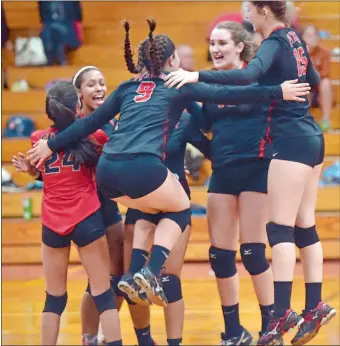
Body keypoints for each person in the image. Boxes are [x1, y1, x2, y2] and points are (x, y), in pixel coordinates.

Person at [27, 17, 310, 316]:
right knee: (180, 208)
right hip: (142, 167)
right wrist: (278, 92)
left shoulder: (125, 87)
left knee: (154, 209)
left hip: (108, 175)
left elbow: (86, 124)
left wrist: (51, 144)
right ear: (172, 59)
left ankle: (135, 273)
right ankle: (149, 270)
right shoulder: (178, 84)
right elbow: (230, 94)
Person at [164, 2, 336, 345]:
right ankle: (304, 308)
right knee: (300, 228)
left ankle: (277, 315)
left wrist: (194, 78)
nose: (245, 13)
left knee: (275, 235)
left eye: (249, 8)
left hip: (276, 153)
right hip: (287, 145)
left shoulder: (269, 50)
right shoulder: (294, 41)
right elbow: (312, 80)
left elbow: (246, 80)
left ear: (262, 12)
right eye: (211, 44)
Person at [13, 81, 122, 346]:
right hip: (87, 218)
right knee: (104, 294)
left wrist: (32, 172)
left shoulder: (38, 139)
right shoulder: (95, 135)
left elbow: (52, 172)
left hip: (52, 222)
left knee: (54, 298)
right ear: (77, 105)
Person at [195, 20, 281, 346]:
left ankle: (270, 326)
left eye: (222, 43)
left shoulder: (258, 78)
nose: (215, 49)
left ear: (239, 47)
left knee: (253, 253)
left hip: (257, 169)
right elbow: (201, 127)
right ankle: (233, 331)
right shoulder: (207, 86)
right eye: (212, 43)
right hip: (223, 173)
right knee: (220, 256)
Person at [122, 110, 210, 346]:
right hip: (141, 203)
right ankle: (144, 341)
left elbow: (211, 149)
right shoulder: (132, 115)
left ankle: (174, 343)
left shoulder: (184, 118)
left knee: (170, 280)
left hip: (175, 203)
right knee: (133, 280)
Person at [71, 66, 125, 346]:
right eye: (91, 84)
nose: (99, 88)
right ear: (78, 92)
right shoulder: (72, 126)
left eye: (102, 83)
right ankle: (88, 337)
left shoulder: (113, 124)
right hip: (86, 213)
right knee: (96, 281)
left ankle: (107, 332)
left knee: (120, 276)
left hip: (111, 209)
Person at [302, 24, 333, 132]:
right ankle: (304, 121)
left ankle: (326, 120)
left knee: (326, 84)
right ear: (303, 38)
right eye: (309, 35)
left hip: (318, 88)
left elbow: (325, 73)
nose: (312, 38)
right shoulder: (298, 53)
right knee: (303, 84)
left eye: (314, 35)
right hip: (305, 87)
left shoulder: (324, 52)